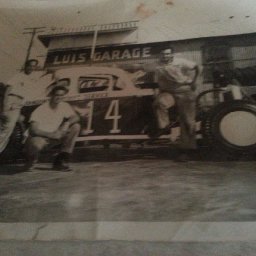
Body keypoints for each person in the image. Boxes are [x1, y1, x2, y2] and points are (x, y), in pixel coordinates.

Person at [154, 48, 199, 160]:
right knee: (159, 103)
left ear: (172, 54)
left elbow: (198, 67)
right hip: (168, 92)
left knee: (187, 121)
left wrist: (194, 82)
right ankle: (164, 127)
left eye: (168, 54)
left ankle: (187, 150)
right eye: (163, 54)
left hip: (184, 91)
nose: (165, 56)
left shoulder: (181, 62)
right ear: (160, 55)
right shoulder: (157, 65)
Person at [25, 82, 80, 171]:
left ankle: (61, 161)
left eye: (61, 95)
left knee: (76, 127)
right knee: (36, 145)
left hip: (55, 136)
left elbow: (76, 117)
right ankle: (31, 160)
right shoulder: (41, 109)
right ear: (51, 95)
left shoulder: (64, 105)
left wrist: (67, 123)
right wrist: (51, 135)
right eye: (56, 95)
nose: (59, 97)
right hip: (40, 137)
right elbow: (33, 130)